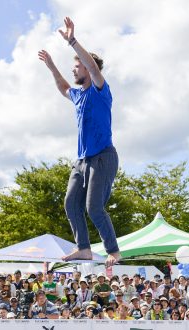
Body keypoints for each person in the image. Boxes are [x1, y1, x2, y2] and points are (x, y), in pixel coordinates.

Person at [38, 16, 121, 267]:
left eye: (77, 66)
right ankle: (83, 248)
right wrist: (52, 66)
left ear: (86, 67)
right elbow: (63, 87)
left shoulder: (99, 90)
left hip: (103, 157)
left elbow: (95, 69)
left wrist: (72, 41)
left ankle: (113, 251)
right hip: (82, 160)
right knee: (70, 203)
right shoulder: (77, 96)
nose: (74, 69)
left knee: (94, 207)